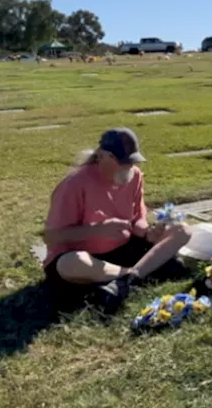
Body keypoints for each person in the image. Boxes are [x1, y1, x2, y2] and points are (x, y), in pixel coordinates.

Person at [42, 128, 190, 313]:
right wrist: (98, 229)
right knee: (72, 262)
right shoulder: (74, 185)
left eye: (132, 161)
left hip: (122, 249)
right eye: (123, 162)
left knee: (182, 230)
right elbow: (51, 237)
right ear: (103, 156)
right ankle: (136, 274)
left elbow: (137, 219)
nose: (129, 166)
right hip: (84, 258)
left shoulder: (134, 176)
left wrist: (146, 232)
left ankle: (124, 280)